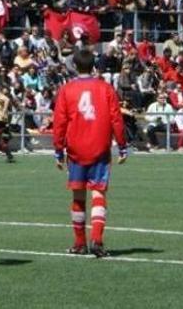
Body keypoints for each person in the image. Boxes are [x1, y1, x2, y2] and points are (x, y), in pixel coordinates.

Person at [52, 49, 128, 258]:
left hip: (76, 150)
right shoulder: (105, 88)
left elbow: (60, 122)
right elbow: (116, 119)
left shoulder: (67, 90)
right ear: (94, 66)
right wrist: (122, 145)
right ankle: (97, 239)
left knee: (78, 194)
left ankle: (79, 243)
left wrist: (58, 150)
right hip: (100, 149)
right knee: (98, 193)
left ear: (74, 66)